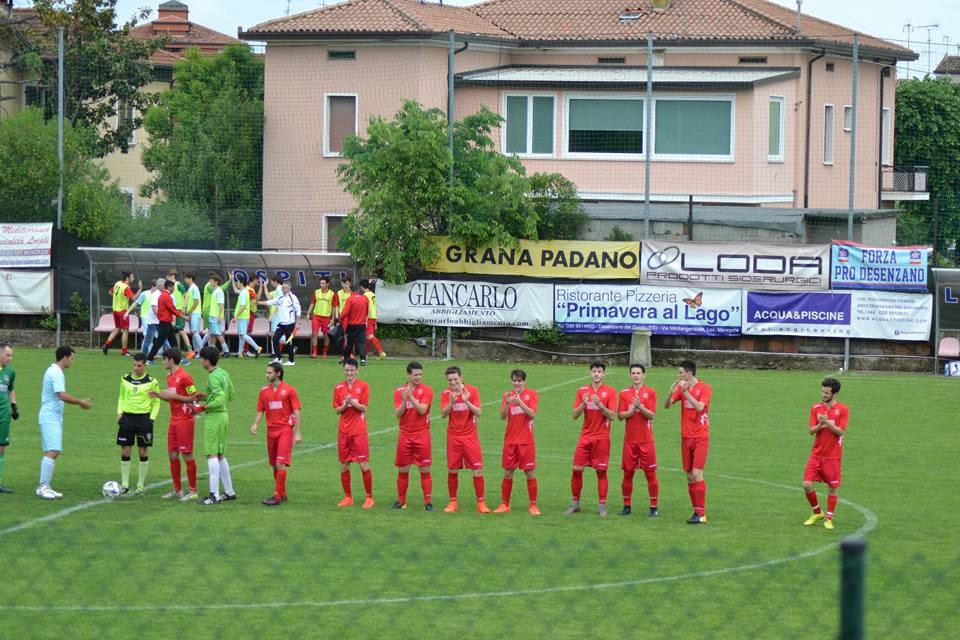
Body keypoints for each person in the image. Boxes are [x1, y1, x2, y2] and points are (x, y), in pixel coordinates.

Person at [36, 346, 92, 499]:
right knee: (53, 450)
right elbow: (61, 395)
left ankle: (45, 485)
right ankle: (42, 486)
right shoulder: (55, 372)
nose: (72, 362)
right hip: (49, 417)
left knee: (54, 450)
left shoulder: (55, 371)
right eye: (72, 358)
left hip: (53, 417)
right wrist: (80, 402)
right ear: (65, 357)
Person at [566, 361, 617, 516]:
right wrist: (584, 403)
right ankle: (575, 504)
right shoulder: (583, 391)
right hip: (585, 437)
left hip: (602, 438)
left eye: (599, 371)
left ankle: (602, 507)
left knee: (601, 472)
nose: (596, 374)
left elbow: (613, 416)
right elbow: (574, 415)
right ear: (590, 373)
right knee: (576, 470)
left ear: (604, 374)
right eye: (594, 371)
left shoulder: (610, 391)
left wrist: (600, 405)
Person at [149, 348, 201, 501]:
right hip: (174, 420)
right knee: (172, 454)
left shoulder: (185, 377)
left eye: (164, 359)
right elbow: (173, 398)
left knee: (186, 454)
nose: (163, 362)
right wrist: (159, 395)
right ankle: (177, 489)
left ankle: (193, 491)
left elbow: (195, 398)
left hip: (185, 420)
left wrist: (174, 396)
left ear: (171, 360)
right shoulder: (169, 376)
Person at [664, 360, 712, 525]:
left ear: (689, 373)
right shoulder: (681, 389)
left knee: (698, 473)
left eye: (681, 372)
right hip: (686, 437)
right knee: (690, 476)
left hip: (700, 437)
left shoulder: (705, 388)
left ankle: (701, 513)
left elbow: (700, 407)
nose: (678, 376)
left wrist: (685, 393)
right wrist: (670, 393)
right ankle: (696, 510)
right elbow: (667, 406)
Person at [251, 362, 302, 506]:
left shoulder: (289, 390)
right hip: (271, 431)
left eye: (269, 373)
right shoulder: (263, 392)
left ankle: (276, 496)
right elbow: (261, 410)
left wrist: (297, 432)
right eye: (267, 373)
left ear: (278, 373)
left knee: (280, 463)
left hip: (285, 430)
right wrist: (255, 424)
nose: (267, 375)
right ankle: (283, 493)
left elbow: (297, 410)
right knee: (274, 465)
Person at [802, 378, 849, 531]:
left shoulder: (842, 409)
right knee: (807, 484)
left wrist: (827, 423)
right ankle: (817, 512)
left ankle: (829, 518)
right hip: (816, 454)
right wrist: (820, 424)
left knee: (832, 488)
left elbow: (841, 431)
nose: (823, 395)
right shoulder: (815, 408)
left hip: (833, 456)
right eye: (822, 391)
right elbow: (811, 431)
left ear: (834, 393)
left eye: (826, 393)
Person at [440, 366, 489, 513]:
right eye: (450, 380)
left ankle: (481, 503)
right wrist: (451, 402)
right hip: (453, 437)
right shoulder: (446, 393)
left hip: (470, 437)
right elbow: (443, 414)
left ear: (461, 378)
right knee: (452, 469)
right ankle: (453, 502)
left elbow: (479, 412)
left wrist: (467, 401)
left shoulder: (472, 391)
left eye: (455, 379)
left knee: (478, 470)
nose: (453, 382)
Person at [193, 346, 237, 505]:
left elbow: (218, 399)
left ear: (206, 360)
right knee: (219, 454)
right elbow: (230, 394)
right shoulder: (223, 373)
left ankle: (214, 495)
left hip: (215, 417)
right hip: (224, 416)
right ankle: (229, 492)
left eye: (201, 358)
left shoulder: (212, 378)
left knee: (211, 454)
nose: (200, 361)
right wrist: (206, 396)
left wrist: (203, 406)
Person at [494, 369, 539, 515]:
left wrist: (520, 402)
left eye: (519, 381)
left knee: (530, 472)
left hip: (526, 441)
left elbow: (532, 414)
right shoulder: (507, 395)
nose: (516, 383)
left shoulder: (531, 394)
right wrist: (507, 404)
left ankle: (533, 505)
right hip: (510, 440)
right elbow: (502, 417)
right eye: (514, 380)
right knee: (508, 473)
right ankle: (505, 504)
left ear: (524, 382)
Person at [617, 363, 659, 517]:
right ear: (630, 375)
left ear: (644, 375)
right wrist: (631, 411)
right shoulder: (624, 393)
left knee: (650, 474)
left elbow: (652, 415)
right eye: (633, 373)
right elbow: (620, 416)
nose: (635, 375)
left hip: (646, 441)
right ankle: (627, 506)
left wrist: (640, 407)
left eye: (638, 373)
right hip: (630, 441)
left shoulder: (651, 392)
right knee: (628, 473)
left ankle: (653, 507)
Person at [391, 362, 434, 511]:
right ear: (408, 375)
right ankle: (401, 501)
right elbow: (398, 414)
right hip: (405, 435)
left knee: (424, 469)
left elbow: (422, 410)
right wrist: (404, 400)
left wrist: (411, 398)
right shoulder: (398, 391)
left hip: (422, 434)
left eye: (420, 374)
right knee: (403, 469)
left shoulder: (427, 390)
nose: (418, 377)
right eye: (415, 375)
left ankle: (427, 502)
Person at [115, 353, 160, 495]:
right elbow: (122, 396)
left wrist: (151, 419)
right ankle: (125, 484)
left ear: (145, 365)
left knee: (143, 451)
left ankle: (140, 484)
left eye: (139, 366)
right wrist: (119, 413)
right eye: (134, 365)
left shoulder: (152, 381)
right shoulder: (124, 379)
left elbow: (156, 401)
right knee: (126, 450)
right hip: (127, 418)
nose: (136, 368)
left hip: (144, 419)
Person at [332, 357, 374, 508]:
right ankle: (348, 497)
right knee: (344, 465)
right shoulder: (338, 388)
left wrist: (352, 402)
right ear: (343, 370)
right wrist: (344, 404)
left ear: (357, 370)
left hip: (359, 431)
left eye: (351, 370)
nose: (349, 373)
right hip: (343, 431)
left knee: (364, 464)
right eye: (346, 370)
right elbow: (337, 410)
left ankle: (369, 497)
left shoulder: (363, 386)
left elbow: (364, 408)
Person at [258, 280, 301, 366]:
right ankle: (278, 358)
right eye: (282, 287)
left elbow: (298, 310)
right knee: (275, 339)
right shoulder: (280, 297)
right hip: (281, 324)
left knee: (289, 342)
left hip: (290, 324)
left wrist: (297, 323)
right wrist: (258, 302)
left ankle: (291, 361)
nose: (283, 289)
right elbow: (270, 302)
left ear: (289, 288)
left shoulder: (293, 297)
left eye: (285, 288)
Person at [102, 272, 141, 356]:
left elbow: (110, 292)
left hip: (115, 310)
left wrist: (118, 297)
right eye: (132, 277)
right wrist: (140, 289)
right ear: (127, 278)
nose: (133, 278)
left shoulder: (118, 283)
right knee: (125, 330)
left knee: (117, 328)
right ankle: (124, 351)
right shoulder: (126, 287)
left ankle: (106, 344)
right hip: (122, 312)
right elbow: (134, 298)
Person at [147, 280, 185, 363]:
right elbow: (172, 308)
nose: (174, 289)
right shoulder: (166, 296)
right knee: (160, 341)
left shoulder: (164, 295)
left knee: (172, 341)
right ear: (169, 287)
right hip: (165, 322)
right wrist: (183, 316)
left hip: (166, 322)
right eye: (173, 287)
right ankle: (149, 358)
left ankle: (178, 358)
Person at [0, 343, 18, 493]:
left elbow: (10, 389)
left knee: (1, 448)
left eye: (11, 355)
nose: (10, 358)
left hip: (3, 415)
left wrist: (14, 406)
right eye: (7, 355)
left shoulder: (10, 373)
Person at [199, 273, 229, 355]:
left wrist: (219, 316)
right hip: (212, 316)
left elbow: (221, 304)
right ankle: (212, 351)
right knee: (211, 334)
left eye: (211, 281)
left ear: (216, 282)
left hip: (216, 316)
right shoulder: (215, 291)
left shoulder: (219, 291)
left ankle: (226, 350)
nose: (210, 282)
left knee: (218, 334)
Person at [232, 273, 262, 358]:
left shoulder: (244, 293)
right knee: (242, 335)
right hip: (244, 317)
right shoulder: (244, 291)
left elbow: (243, 306)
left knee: (243, 335)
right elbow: (235, 290)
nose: (237, 283)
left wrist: (236, 316)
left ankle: (257, 347)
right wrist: (232, 280)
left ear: (241, 283)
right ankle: (240, 353)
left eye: (238, 282)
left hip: (243, 317)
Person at [307, 276, 337, 359]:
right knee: (314, 334)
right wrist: (308, 313)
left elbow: (334, 307)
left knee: (326, 335)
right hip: (316, 316)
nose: (321, 285)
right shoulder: (316, 292)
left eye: (323, 283)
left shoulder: (332, 294)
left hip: (326, 317)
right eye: (320, 283)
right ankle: (314, 353)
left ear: (327, 284)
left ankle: (324, 353)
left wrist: (333, 318)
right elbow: (312, 303)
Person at [340, 284, 369, 366]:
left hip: (352, 325)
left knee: (349, 343)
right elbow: (367, 311)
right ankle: (363, 359)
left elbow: (345, 312)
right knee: (362, 342)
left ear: (351, 291)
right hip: (361, 325)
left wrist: (340, 320)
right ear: (359, 290)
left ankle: (346, 359)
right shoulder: (365, 299)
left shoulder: (350, 299)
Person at [359, 279, 386, 360]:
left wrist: (365, 320)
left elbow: (366, 308)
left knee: (370, 336)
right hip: (373, 318)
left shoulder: (365, 295)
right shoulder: (373, 294)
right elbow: (374, 307)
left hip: (369, 318)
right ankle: (365, 354)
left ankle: (381, 352)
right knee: (367, 337)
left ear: (361, 287)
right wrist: (376, 321)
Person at [260, 276, 283, 359]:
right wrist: (265, 286)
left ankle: (291, 345)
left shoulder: (280, 289)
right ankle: (275, 353)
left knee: (276, 334)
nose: (271, 283)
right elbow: (269, 298)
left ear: (275, 281)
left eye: (272, 281)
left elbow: (279, 303)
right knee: (274, 334)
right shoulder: (277, 290)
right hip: (276, 315)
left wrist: (272, 314)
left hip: (277, 315)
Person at [183, 272, 204, 358]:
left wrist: (190, 311)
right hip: (192, 313)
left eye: (186, 278)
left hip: (195, 313)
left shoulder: (194, 288)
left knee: (195, 332)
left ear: (190, 278)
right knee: (193, 332)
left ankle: (202, 352)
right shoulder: (190, 288)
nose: (185, 280)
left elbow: (196, 302)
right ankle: (197, 351)